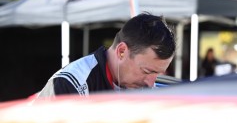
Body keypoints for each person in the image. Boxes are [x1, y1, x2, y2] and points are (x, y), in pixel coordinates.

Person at [37, 12, 176, 98]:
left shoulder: (154, 89)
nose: (151, 83)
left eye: (158, 74)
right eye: (146, 71)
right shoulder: (71, 84)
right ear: (121, 51)